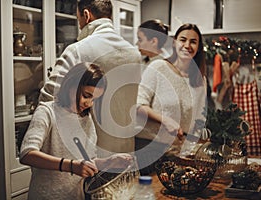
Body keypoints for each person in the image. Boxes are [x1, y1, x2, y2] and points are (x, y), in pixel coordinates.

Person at [39, 0, 141, 157]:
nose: (79, 24)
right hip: (126, 149)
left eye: (78, 18)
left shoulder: (78, 50)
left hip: (88, 152)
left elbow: (49, 98)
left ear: (86, 15)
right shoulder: (134, 53)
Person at [20, 62, 134, 200]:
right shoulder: (47, 112)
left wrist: (107, 162)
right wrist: (70, 166)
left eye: (94, 99)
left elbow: (87, 161)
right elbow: (27, 154)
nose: (89, 103)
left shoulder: (86, 119)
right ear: (70, 84)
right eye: (86, 95)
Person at [135, 23, 207, 175]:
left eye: (193, 42)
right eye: (183, 40)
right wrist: (165, 120)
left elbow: (199, 119)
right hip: (149, 149)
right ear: (175, 42)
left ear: (199, 47)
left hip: (178, 154)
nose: (187, 45)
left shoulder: (200, 80)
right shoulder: (158, 67)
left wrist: (194, 146)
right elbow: (138, 106)